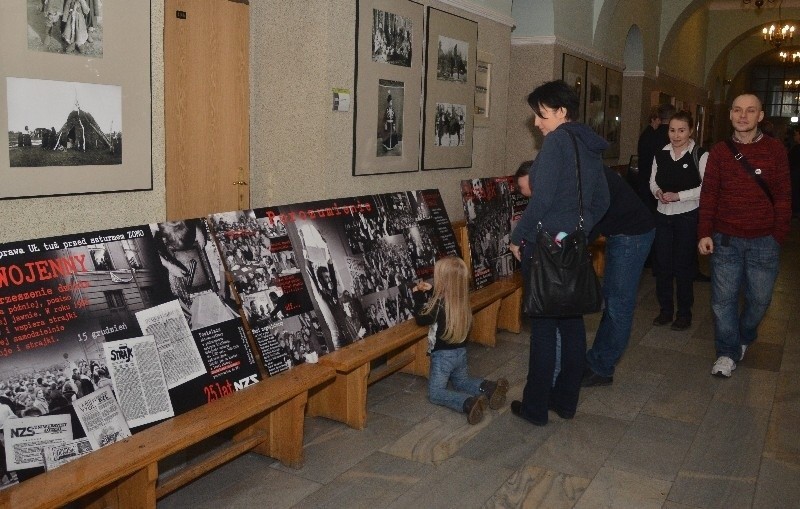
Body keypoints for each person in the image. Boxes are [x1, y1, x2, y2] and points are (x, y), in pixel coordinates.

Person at [508, 80, 610, 426]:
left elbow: (541, 201)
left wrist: (517, 236)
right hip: (574, 245)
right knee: (571, 323)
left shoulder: (555, 145)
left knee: (543, 328)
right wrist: (579, 231)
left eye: (542, 114)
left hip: (546, 245)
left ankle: (536, 408)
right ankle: (566, 401)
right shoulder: (588, 144)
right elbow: (602, 201)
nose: (537, 123)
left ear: (561, 112)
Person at [698, 93, 791, 378]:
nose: (743, 115)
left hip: (765, 240)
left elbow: (784, 196)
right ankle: (726, 352)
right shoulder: (720, 152)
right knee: (722, 300)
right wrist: (704, 232)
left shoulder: (775, 150)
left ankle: (744, 335)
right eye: (737, 110)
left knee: (760, 300)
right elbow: (710, 194)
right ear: (730, 115)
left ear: (760, 116)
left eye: (750, 111)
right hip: (726, 238)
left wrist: (778, 234)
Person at [579, 166, 657, 386]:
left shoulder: (589, 175)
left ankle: (602, 367)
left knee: (618, 305)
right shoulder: (588, 168)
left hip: (632, 236)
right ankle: (597, 358)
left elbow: (593, 217)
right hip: (622, 233)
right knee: (612, 300)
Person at [413, 256, 509, 425]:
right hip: (461, 353)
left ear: (443, 281)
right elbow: (449, 292)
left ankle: (468, 403)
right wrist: (433, 289)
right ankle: (489, 388)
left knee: (436, 393)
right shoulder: (461, 300)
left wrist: (419, 296)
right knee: (461, 381)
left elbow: (422, 318)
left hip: (443, 358)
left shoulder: (438, 306)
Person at [649, 110, 707, 331]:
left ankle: (684, 313)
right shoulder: (660, 154)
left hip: (686, 216)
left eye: (681, 130)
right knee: (662, 265)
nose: (676, 135)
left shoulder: (699, 155)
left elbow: (706, 188)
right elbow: (653, 181)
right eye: (672, 130)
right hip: (663, 215)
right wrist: (658, 193)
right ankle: (665, 310)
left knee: (683, 266)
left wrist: (679, 196)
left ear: (690, 131)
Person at [788, 127, 800, 219]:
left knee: (795, 192)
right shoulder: (795, 148)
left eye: (796, 134)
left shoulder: (796, 149)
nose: (794, 137)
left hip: (796, 174)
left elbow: (790, 161)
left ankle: (796, 210)